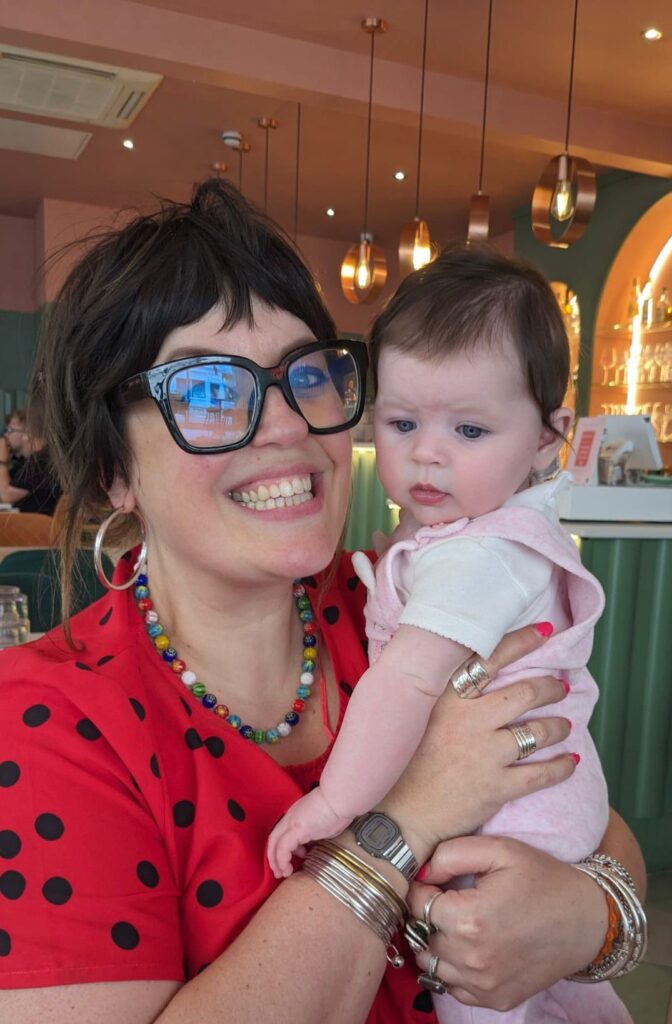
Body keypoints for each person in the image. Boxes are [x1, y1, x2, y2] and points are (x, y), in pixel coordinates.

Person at [0, 180, 645, 1024]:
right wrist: (408, 817)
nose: (286, 425)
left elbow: (588, 815)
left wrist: (587, 919)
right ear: (114, 468)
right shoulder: (45, 720)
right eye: (207, 392)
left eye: (307, 376)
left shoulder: (395, 603)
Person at [268, 243, 634, 1022]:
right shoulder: (456, 536)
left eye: (469, 431)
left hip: (516, 819)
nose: (426, 453)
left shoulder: (484, 553)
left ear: (546, 438)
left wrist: (337, 804)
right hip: (529, 799)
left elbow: (407, 679)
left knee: (477, 983)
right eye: (402, 422)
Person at [0, 405, 61, 515]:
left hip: (37, 527)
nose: (5, 435)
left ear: (27, 433)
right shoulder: (24, 462)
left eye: (10, 430)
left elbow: (6, 496)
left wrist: (2, 461)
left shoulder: (41, 462)